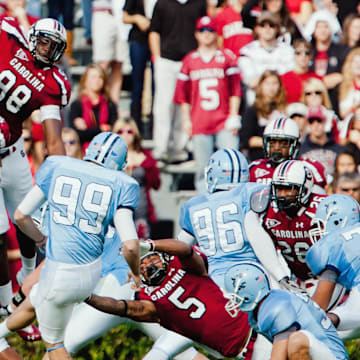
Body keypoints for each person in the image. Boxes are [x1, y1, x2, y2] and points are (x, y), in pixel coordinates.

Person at [5, 132, 141, 358]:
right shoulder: (121, 185)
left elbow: (20, 216)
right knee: (38, 299)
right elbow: (131, 246)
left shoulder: (57, 168)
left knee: (57, 345)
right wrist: (137, 274)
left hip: (85, 276)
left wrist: (40, 240)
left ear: (88, 150)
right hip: (105, 277)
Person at [0, 17, 70, 318]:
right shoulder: (8, 39)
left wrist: (64, 175)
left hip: (13, 152)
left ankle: (27, 274)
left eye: (54, 46)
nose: (47, 49)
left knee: (27, 217)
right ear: (31, 37)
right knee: (0, 234)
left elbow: (54, 140)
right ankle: (5, 301)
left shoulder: (53, 82)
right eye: (44, 41)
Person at [84, 238, 256, 360]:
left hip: (256, 330)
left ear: (163, 256)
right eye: (141, 265)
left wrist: (149, 245)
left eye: (152, 258)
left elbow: (185, 249)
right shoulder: (148, 300)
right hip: (242, 351)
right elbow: (122, 307)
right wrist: (88, 297)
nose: (149, 265)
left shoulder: (185, 266)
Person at [224, 262, 349, 360]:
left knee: (297, 341)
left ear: (248, 290)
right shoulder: (271, 301)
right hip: (322, 353)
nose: (233, 300)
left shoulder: (276, 308)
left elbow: (279, 357)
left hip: (334, 356)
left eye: (235, 294)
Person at [173, 16, 242, 192]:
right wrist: (187, 120)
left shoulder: (226, 57)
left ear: (216, 33)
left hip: (223, 120)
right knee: (203, 170)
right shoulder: (189, 61)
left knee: (232, 165)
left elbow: (235, 89)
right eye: (202, 31)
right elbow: (183, 96)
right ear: (196, 34)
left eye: (210, 30)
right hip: (200, 121)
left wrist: (234, 114)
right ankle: (204, 205)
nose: (206, 34)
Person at [149, 0, 207, 163]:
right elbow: (154, 31)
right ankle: (160, 148)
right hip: (166, 60)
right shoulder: (162, 3)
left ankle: (180, 148)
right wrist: (157, 58)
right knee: (163, 105)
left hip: (189, 61)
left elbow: (203, 29)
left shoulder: (199, 3)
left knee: (184, 105)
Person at [307, 194, 360, 336]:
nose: (319, 228)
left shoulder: (333, 244)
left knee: (316, 322)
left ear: (338, 222)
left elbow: (319, 306)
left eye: (322, 223)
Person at [249, 117, 327, 193]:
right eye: (272, 142)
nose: (277, 148)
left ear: (295, 146)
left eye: (283, 143)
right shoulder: (254, 168)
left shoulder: (308, 168)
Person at [113, 118, 161, 239]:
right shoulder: (111, 155)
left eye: (129, 131)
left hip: (141, 210)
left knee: (142, 247)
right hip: (116, 210)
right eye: (120, 131)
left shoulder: (145, 155)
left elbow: (156, 184)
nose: (125, 135)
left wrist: (145, 163)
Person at [239, 11, 295, 101]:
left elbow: (291, 79)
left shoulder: (288, 50)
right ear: (257, 29)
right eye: (263, 25)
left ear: (277, 28)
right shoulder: (247, 51)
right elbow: (251, 82)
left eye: (271, 25)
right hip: (256, 101)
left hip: (283, 99)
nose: (267, 28)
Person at [240, 70, 287, 161]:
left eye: (274, 83)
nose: (271, 87)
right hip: (260, 159)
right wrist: (273, 143)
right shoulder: (252, 110)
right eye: (267, 83)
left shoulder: (284, 110)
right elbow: (246, 140)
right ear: (261, 86)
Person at [69, 64, 118, 150]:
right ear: (85, 80)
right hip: (82, 149)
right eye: (93, 77)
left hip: (105, 149)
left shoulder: (110, 104)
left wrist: (88, 130)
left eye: (100, 77)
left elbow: (114, 130)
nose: (97, 81)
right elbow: (77, 135)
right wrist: (101, 129)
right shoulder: (77, 105)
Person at [123, 0, 154, 134]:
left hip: (158, 40)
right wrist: (137, 18)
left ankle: (154, 127)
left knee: (156, 87)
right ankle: (137, 127)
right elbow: (125, 16)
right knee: (137, 86)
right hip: (138, 39)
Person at [298, 105, 343, 178]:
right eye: (311, 121)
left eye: (319, 121)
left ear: (325, 121)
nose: (315, 125)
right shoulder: (300, 149)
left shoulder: (338, 148)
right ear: (307, 124)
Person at [281, 39, 322, 104]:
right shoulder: (283, 79)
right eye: (298, 53)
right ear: (294, 55)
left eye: (307, 53)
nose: (303, 56)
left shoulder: (317, 78)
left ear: (311, 56)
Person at [338, 47, 360, 119]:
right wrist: (354, 106)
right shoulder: (342, 87)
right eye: (356, 62)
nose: (358, 65)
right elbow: (342, 113)